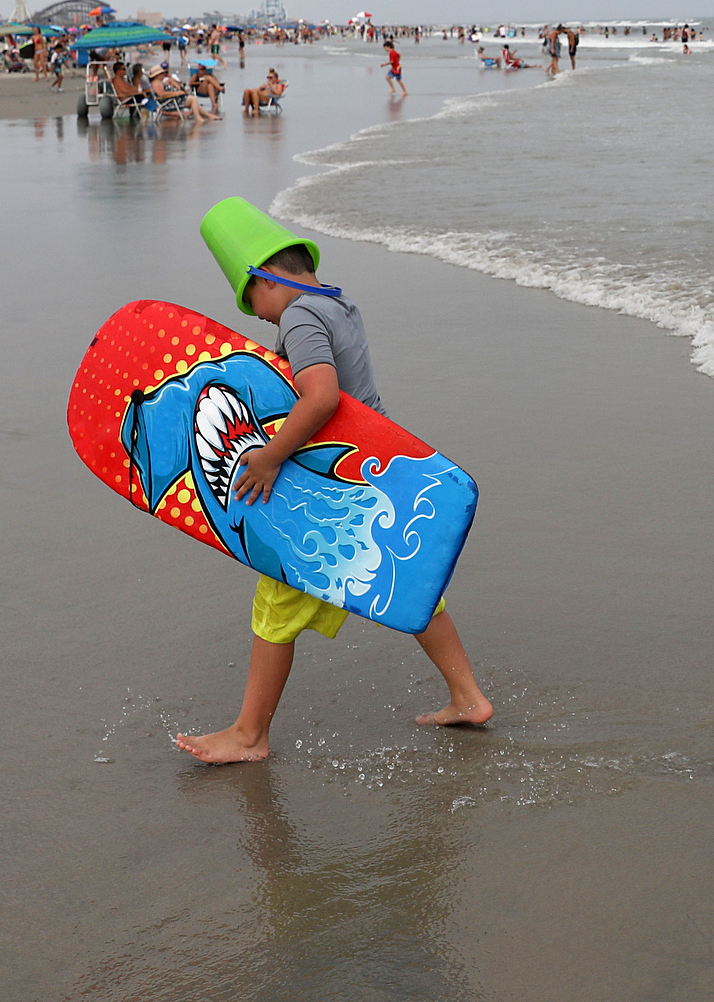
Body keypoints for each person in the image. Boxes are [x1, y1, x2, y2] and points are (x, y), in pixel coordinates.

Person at [174, 202, 491, 763]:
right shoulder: (340, 306)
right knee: (411, 584)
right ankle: (467, 697)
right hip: (381, 470)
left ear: (265, 278)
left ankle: (249, 736)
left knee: (277, 596)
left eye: (255, 304)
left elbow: (320, 398)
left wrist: (269, 457)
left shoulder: (298, 317)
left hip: (336, 483)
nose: (261, 318)